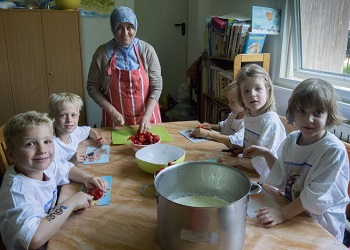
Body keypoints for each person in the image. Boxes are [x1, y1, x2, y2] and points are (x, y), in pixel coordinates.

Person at [243, 78, 349, 242]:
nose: (309, 119)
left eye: (318, 112)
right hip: (294, 212)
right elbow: (282, 172)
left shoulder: (333, 151)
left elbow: (314, 196)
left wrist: (282, 214)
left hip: (320, 226)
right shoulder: (292, 139)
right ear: (293, 112)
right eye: (302, 111)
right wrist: (266, 154)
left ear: (329, 115)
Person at [0, 111, 108, 249]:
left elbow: (65, 168)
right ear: (11, 154)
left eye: (47, 141)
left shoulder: (42, 166)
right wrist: (71, 203)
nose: (42, 150)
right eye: (30, 144)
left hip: (51, 231)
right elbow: (33, 238)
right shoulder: (18, 192)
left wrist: (88, 178)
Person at [86, 6, 162, 133]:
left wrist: (147, 116)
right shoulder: (102, 53)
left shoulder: (147, 50)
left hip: (148, 121)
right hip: (116, 123)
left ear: (135, 27)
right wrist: (112, 111)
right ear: (113, 28)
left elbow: (157, 86)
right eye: (119, 27)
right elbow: (92, 87)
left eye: (129, 27)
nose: (125, 33)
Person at [218, 64, 286, 183]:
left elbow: (263, 162)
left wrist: (236, 161)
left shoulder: (270, 122)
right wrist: (242, 149)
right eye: (246, 91)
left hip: (266, 180)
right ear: (241, 97)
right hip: (250, 171)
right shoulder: (249, 116)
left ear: (268, 91)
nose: (252, 94)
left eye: (258, 88)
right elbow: (254, 145)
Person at [49, 93, 105, 165]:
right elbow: (50, 172)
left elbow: (89, 130)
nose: (69, 120)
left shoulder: (75, 132)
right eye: (63, 115)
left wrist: (97, 138)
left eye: (73, 115)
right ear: (52, 117)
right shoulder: (50, 144)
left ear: (78, 116)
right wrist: (71, 162)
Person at [191, 82, 245, 148]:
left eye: (232, 102)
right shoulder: (233, 115)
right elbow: (223, 126)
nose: (229, 104)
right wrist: (210, 126)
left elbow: (235, 141)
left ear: (244, 101)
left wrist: (209, 134)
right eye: (228, 101)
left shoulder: (247, 122)